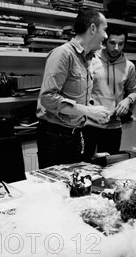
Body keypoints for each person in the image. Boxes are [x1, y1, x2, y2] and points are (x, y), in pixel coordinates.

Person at [36, 10, 111, 168]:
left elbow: (74, 99)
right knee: (54, 189)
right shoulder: (63, 54)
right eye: (104, 29)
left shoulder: (87, 58)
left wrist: (93, 112)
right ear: (92, 28)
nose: (106, 36)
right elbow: (48, 98)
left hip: (75, 135)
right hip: (55, 138)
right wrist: (89, 111)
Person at [82, 25, 136, 160]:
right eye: (112, 43)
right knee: (84, 166)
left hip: (114, 126)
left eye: (121, 44)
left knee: (109, 167)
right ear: (105, 41)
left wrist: (128, 100)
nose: (116, 48)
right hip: (89, 124)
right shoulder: (90, 60)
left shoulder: (129, 66)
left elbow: (134, 91)